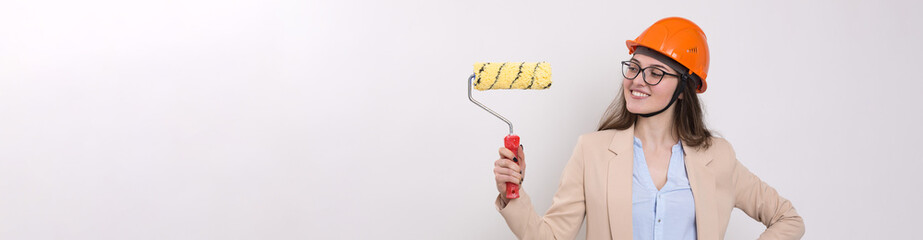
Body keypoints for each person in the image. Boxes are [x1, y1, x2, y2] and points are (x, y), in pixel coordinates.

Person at [492, 17, 805, 240]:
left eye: (656, 73)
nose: (637, 80)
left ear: (685, 89)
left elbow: (787, 219)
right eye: (634, 67)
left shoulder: (718, 157)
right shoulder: (593, 151)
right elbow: (551, 236)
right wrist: (512, 191)